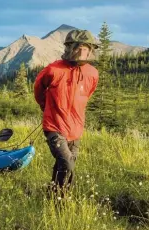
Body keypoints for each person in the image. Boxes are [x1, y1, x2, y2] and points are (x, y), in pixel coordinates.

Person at [34, 29, 99, 198]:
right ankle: (61, 202)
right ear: (70, 48)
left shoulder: (92, 73)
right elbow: (38, 89)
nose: (82, 52)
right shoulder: (53, 70)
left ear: (91, 50)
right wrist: (46, 107)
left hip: (75, 128)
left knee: (64, 164)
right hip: (54, 126)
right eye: (79, 47)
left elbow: (87, 94)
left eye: (86, 48)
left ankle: (53, 194)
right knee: (67, 163)